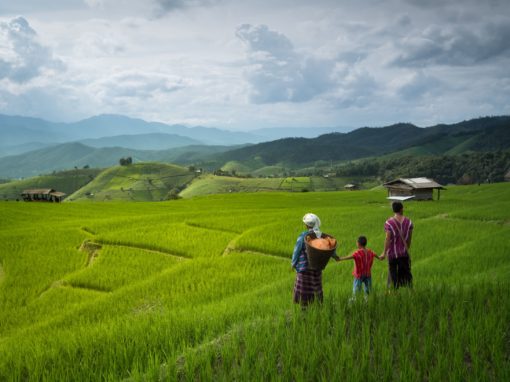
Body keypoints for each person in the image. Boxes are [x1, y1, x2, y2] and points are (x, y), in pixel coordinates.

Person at [291, 213, 339, 307]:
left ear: (306, 225)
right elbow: (329, 248)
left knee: (304, 290)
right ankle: (315, 306)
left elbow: (297, 250)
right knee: (315, 287)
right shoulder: (321, 236)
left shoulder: (303, 236)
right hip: (317, 268)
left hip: (304, 268)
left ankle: (304, 307)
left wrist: (293, 263)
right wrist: (335, 256)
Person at [384, 201, 413, 288]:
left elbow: (387, 239)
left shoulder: (389, 222)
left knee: (393, 276)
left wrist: (384, 252)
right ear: (402, 209)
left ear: (393, 210)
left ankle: (393, 293)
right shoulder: (409, 222)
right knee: (406, 276)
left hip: (392, 254)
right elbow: (409, 239)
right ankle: (408, 292)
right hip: (404, 254)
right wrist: (406, 248)